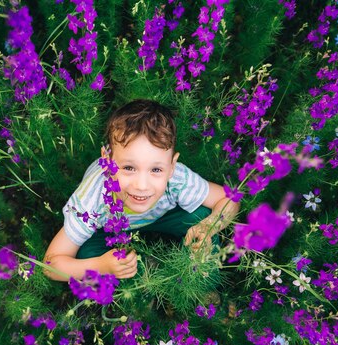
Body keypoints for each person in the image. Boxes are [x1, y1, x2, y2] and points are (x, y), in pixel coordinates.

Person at [43, 99, 239, 281]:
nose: (142, 185)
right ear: (106, 160)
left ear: (171, 166)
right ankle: (134, 293)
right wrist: (101, 266)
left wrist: (207, 226)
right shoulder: (90, 199)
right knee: (85, 254)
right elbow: (51, 264)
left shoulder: (177, 179)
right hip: (109, 230)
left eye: (156, 169)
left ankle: (200, 289)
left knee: (202, 219)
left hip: (161, 215)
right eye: (129, 168)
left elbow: (229, 199)